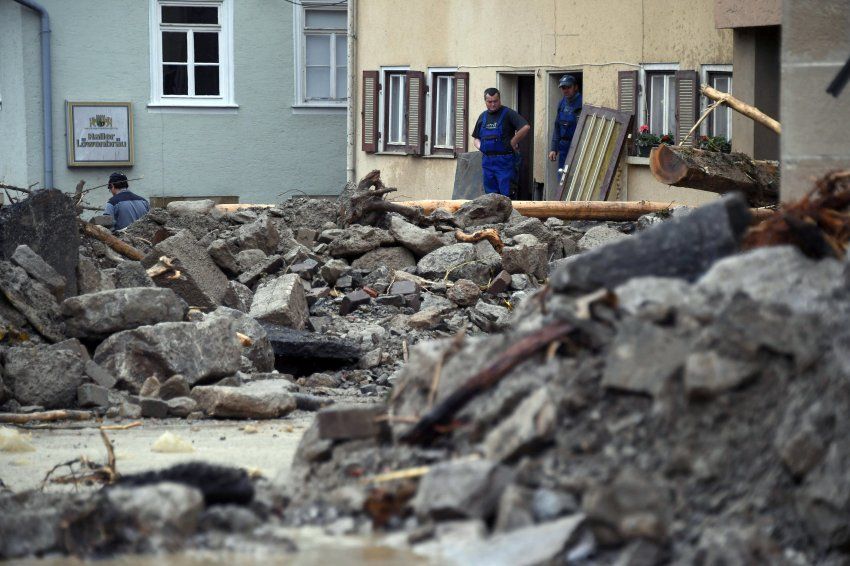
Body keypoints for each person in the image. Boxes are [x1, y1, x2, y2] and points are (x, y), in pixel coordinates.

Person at [472, 88, 530, 197]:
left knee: (507, 196)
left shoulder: (508, 113)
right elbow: (476, 138)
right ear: (485, 101)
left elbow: (525, 127)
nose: (493, 104)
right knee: (490, 197)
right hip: (488, 162)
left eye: (496, 101)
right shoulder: (483, 117)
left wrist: (513, 142)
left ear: (500, 100)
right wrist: (482, 147)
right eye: (490, 102)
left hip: (505, 162)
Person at [548, 74, 583, 170]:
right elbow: (557, 127)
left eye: (568, 87)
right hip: (564, 145)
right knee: (562, 175)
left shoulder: (582, 102)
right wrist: (553, 149)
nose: (565, 90)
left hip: (577, 145)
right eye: (563, 88)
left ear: (575, 87)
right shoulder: (562, 103)